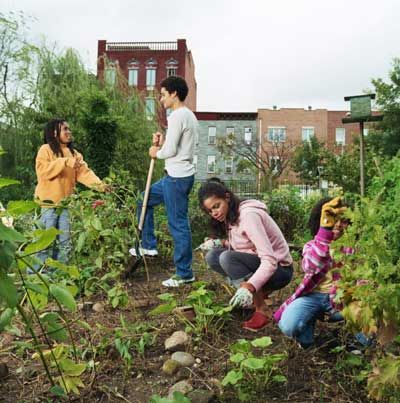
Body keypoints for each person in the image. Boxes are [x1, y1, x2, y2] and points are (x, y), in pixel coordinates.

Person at [198, 178, 293, 332]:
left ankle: (262, 309)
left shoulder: (249, 216)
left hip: (280, 270)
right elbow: (246, 245)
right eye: (210, 210)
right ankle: (255, 297)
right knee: (213, 256)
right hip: (262, 266)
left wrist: (249, 286)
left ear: (227, 198)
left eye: (217, 206)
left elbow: (269, 260)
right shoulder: (230, 215)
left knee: (227, 258)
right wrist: (221, 243)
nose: (214, 213)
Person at [129, 76, 198, 288]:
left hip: (177, 178)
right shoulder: (189, 116)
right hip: (175, 175)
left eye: (163, 95)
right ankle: (149, 245)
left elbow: (171, 151)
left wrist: (156, 151)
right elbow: (176, 145)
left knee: (178, 224)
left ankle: (184, 273)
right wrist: (162, 140)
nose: (161, 99)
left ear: (174, 93)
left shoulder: (177, 116)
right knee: (145, 199)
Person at [274, 197, 351, 348]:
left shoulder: (352, 249)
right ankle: (306, 339)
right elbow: (311, 266)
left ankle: (359, 342)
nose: (338, 224)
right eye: (331, 219)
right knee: (289, 325)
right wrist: (325, 233)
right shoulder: (311, 246)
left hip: (340, 300)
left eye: (343, 220)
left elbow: (361, 278)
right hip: (313, 297)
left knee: (363, 312)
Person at [34, 119, 106, 266]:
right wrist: (64, 162)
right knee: (44, 244)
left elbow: (85, 173)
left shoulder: (74, 154)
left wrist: (102, 186)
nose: (69, 132)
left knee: (65, 244)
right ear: (54, 133)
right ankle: (38, 277)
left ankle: (61, 276)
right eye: (65, 129)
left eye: (69, 129)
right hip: (47, 205)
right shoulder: (45, 149)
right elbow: (43, 172)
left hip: (66, 206)